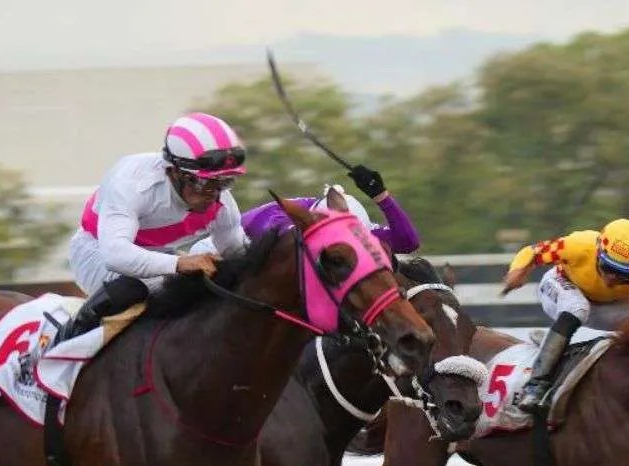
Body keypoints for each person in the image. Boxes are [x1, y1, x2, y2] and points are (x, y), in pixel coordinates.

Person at [60, 112, 250, 342]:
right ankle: (61, 341)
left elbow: (237, 253)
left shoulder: (222, 204)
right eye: (204, 182)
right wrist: (180, 263)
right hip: (97, 252)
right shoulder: (131, 183)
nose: (214, 193)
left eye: (224, 182)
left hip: (161, 254)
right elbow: (116, 255)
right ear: (175, 171)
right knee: (142, 289)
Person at [501, 218, 629, 412]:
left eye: (622, 274)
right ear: (598, 250)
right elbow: (531, 252)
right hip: (559, 287)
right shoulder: (579, 245)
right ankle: (535, 385)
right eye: (607, 267)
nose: (611, 278)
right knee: (578, 308)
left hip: (604, 305)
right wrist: (517, 270)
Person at [188, 166, 420, 258]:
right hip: (218, 250)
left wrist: (382, 197)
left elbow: (408, 242)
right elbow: (289, 249)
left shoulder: (359, 227)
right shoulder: (279, 216)